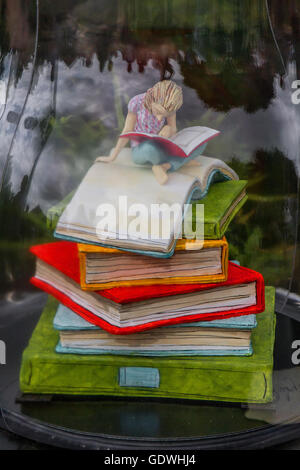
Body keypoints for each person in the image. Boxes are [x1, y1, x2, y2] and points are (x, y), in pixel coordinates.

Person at [97, 80, 206, 184]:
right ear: (152, 99)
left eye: (164, 115)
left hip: (162, 146)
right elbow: (127, 131)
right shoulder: (136, 102)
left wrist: (169, 128)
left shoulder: (170, 105)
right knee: (150, 148)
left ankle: (164, 166)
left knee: (202, 143)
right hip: (142, 149)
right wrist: (113, 156)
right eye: (158, 111)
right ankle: (181, 161)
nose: (159, 118)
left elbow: (173, 129)